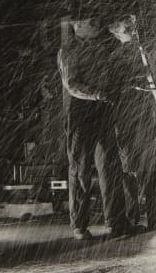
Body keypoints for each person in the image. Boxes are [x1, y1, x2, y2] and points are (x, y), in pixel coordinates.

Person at [57, 15, 135, 240]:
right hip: (80, 115)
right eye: (92, 23)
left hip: (103, 111)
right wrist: (98, 94)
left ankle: (116, 222)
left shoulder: (100, 49)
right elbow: (71, 85)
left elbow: (113, 76)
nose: (98, 25)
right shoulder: (67, 51)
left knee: (110, 167)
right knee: (80, 170)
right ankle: (79, 226)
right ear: (77, 26)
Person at [108, 14, 156, 231]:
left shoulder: (145, 52)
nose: (133, 31)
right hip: (129, 119)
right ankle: (131, 219)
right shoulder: (117, 58)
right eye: (127, 28)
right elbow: (117, 89)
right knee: (131, 170)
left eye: (134, 26)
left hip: (149, 118)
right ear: (117, 33)